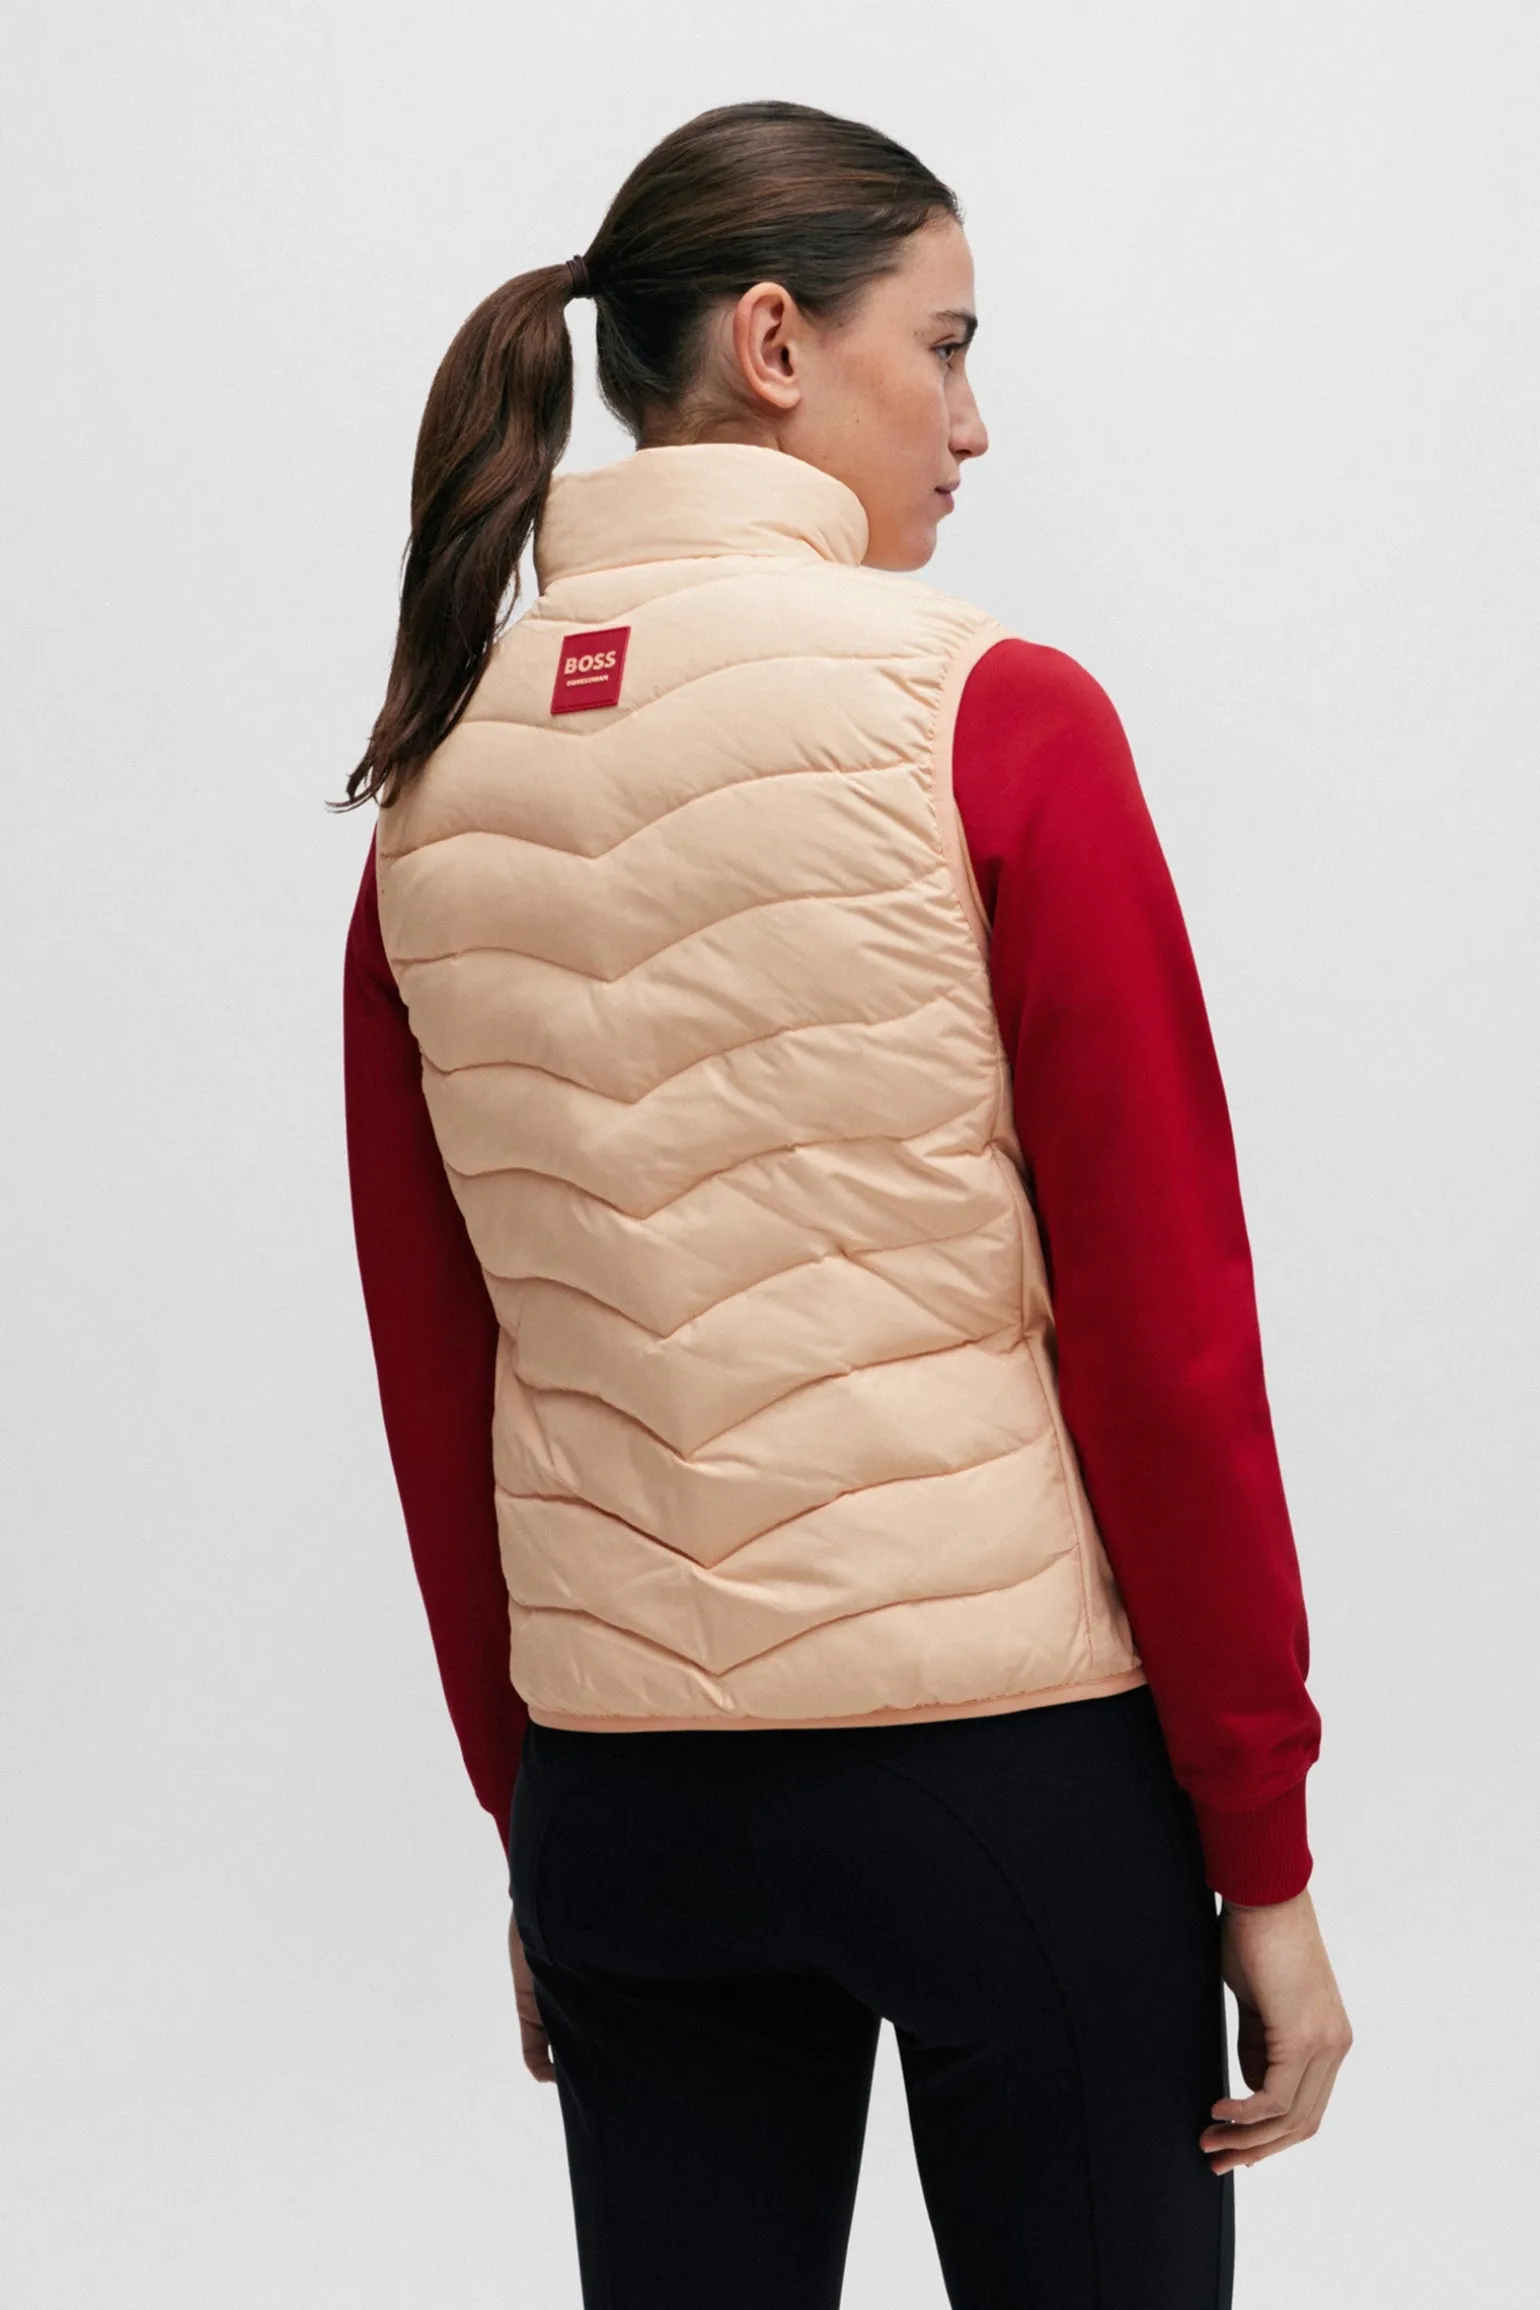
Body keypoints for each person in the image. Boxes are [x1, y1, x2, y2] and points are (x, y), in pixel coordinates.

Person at [337, 98, 1351, 2310]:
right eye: (948, 347)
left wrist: (533, 1822)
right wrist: (1261, 1850)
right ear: (779, 344)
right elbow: (1170, 1340)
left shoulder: (433, 791)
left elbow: (440, 1374)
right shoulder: (991, 717)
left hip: (622, 1810)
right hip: (1008, 1785)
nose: (973, 426)